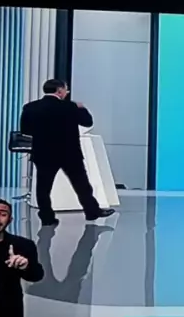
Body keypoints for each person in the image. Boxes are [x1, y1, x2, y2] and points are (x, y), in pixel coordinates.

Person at [20, 79, 115, 227]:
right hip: (69, 153)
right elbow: (87, 122)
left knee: (43, 188)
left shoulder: (30, 107)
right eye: (66, 89)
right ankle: (92, 211)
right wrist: (82, 108)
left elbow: (25, 130)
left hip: (43, 153)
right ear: (59, 91)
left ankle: (47, 217)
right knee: (81, 184)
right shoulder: (70, 107)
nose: (67, 92)